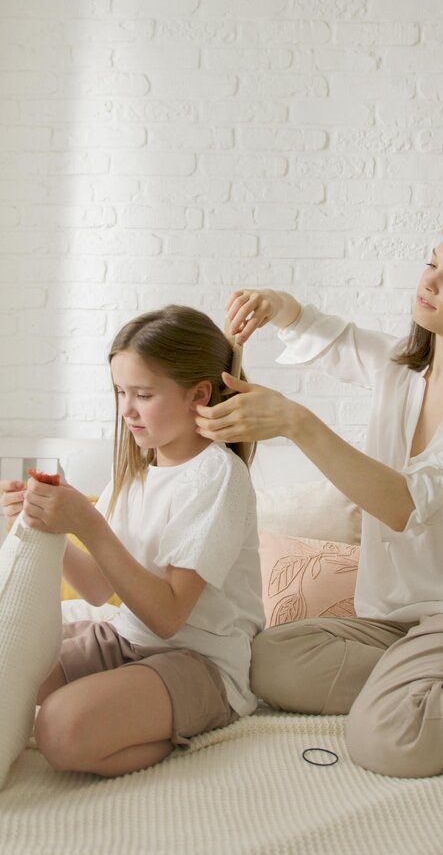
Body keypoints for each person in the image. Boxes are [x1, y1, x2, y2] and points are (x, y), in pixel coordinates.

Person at [195, 215, 443, 778]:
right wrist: (278, 305)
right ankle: (432, 678)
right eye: (431, 264)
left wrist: (297, 423)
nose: (429, 282)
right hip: (394, 619)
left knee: (387, 737)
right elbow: (331, 336)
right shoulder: (400, 368)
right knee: (267, 659)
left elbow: (406, 505)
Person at [1, 305, 264, 778]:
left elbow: (168, 616)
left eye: (143, 394)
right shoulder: (136, 473)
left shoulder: (218, 476)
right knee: (16, 673)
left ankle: (177, 730)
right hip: (126, 641)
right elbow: (98, 589)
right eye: (121, 392)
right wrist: (46, 524)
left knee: (60, 729)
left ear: (198, 395)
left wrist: (87, 524)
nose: (126, 410)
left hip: (201, 662)